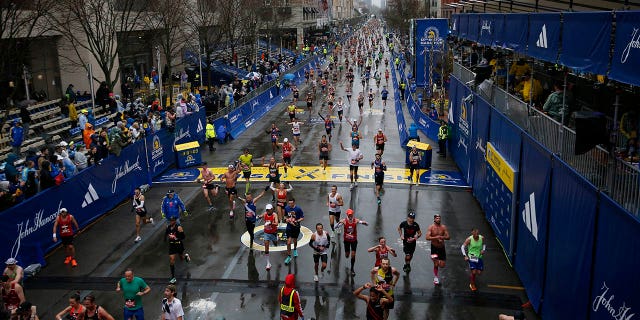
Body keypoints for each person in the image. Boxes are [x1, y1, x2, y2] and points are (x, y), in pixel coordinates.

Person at [336, 209, 369, 276]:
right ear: (347, 215)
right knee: (347, 255)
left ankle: (352, 268)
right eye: (349, 215)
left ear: (352, 214)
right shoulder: (344, 221)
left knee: (353, 255)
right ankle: (347, 253)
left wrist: (365, 223)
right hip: (346, 240)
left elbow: (362, 222)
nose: (350, 215)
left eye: (351, 214)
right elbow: (335, 227)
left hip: (354, 240)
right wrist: (339, 222)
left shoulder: (355, 220)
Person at [425, 214, 450, 285]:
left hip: (442, 248)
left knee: (442, 265)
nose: (438, 219)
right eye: (437, 218)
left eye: (439, 218)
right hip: (434, 247)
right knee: (436, 264)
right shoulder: (431, 227)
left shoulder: (443, 227)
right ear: (434, 219)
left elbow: (448, 237)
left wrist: (442, 237)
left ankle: (436, 259)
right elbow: (427, 237)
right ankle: (435, 277)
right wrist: (436, 237)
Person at [166, 216, 191, 284]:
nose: (171, 222)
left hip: (178, 244)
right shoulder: (168, 227)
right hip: (172, 246)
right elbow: (166, 234)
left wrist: (176, 237)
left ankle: (185, 257)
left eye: (172, 220)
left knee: (181, 258)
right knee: (171, 259)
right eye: (170, 220)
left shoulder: (179, 228)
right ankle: (173, 277)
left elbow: (183, 237)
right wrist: (166, 239)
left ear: (175, 221)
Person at [283, 198, 305, 265]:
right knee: (289, 242)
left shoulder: (298, 209)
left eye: (291, 203)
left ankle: (295, 249)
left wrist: (296, 221)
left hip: (296, 227)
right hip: (289, 227)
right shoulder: (286, 208)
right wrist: (286, 219)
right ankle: (289, 256)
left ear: (294, 203)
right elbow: (285, 216)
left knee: (295, 240)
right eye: (289, 203)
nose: (290, 204)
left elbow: (302, 217)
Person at [259, 204, 279, 270]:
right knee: (266, 246)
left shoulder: (274, 215)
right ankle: (268, 263)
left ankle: (277, 238)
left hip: (273, 233)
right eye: (267, 209)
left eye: (269, 209)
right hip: (266, 233)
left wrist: (271, 223)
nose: (267, 211)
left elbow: (277, 223)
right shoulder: (265, 214)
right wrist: (258, 217)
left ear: (272, 209)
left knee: (275, 244)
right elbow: (261, 216)